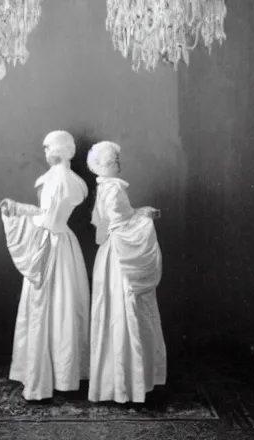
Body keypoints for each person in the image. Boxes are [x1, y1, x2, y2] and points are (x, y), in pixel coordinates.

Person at [0, 130, 90, 400]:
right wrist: (19, 209)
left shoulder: (58, 180)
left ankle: (47, 375)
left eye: (47, 146)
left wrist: (17, 216)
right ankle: (65, 372)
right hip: (64, 244)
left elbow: (48, 221)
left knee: (47, 304)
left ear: (59, 149)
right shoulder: (70, 179)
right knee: (64, 305)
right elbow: (49, 214)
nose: (44, 150)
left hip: (51, 246)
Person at [86, 141, 166, 403]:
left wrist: (142, 213)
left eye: (117, 160)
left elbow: (119, 219)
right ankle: (126, 384)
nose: (117, 164)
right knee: (125, 309)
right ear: (99, 166)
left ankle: (117, 382)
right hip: (118, 255)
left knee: (117, 311)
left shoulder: (104, 188)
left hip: (109, 254)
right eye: (111, 162)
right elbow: (121, 224)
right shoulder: (112, 190)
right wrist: (143, 221)